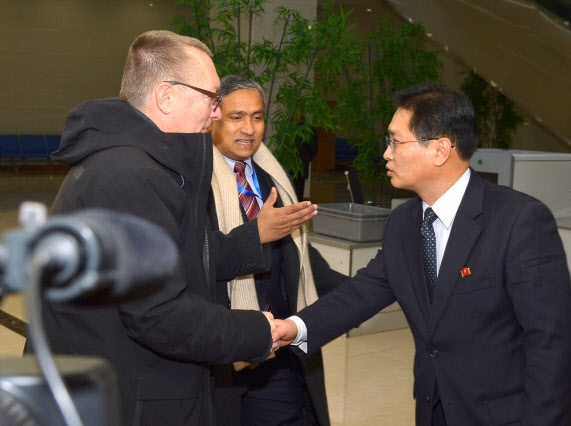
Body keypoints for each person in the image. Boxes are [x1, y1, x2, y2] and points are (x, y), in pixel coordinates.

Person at [29, 30, 318, 426]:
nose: (216, 113)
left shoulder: (131, 164)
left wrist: (252, 238)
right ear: (166, 96)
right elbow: (159, 316)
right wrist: (254, 332)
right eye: (212, 98)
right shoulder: (129, 177)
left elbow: (175, 258)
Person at [273, 83, 571, 425]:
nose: (386, 153)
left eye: (395, 141)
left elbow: (552, 345)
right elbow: (361, 293)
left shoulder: (519, 221)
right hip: (435, 408)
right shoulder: (403, 223)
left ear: (440, 150)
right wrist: (295, 326)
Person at [209, 75, 346, 426]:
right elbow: (196, 260)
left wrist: (368, 288)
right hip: (227, 354)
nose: (249, 129)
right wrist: (256, 234)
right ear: (213, 117)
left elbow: (299, 258)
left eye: (257, 117)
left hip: (282, 349)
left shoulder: (273, 177)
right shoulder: (193, 183)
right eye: (236, 117)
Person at [292, 115, 318, 201]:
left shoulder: (308, 130)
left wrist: (305, 158)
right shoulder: (287, 127)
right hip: (288, 166)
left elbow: (314, 148)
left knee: (299, 191)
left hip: (301, 166)